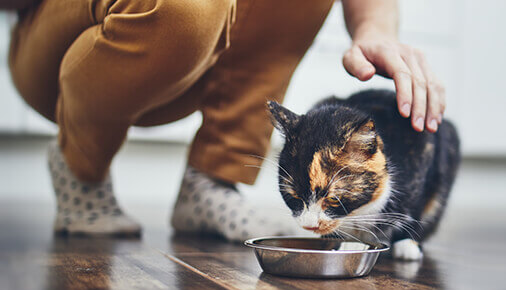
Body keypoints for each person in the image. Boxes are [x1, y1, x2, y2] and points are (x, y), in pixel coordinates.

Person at [5, 0, 445, 238]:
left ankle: (211, 180)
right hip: (63, 46)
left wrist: (375, 33)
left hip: (193, 61)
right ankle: (81, 167)